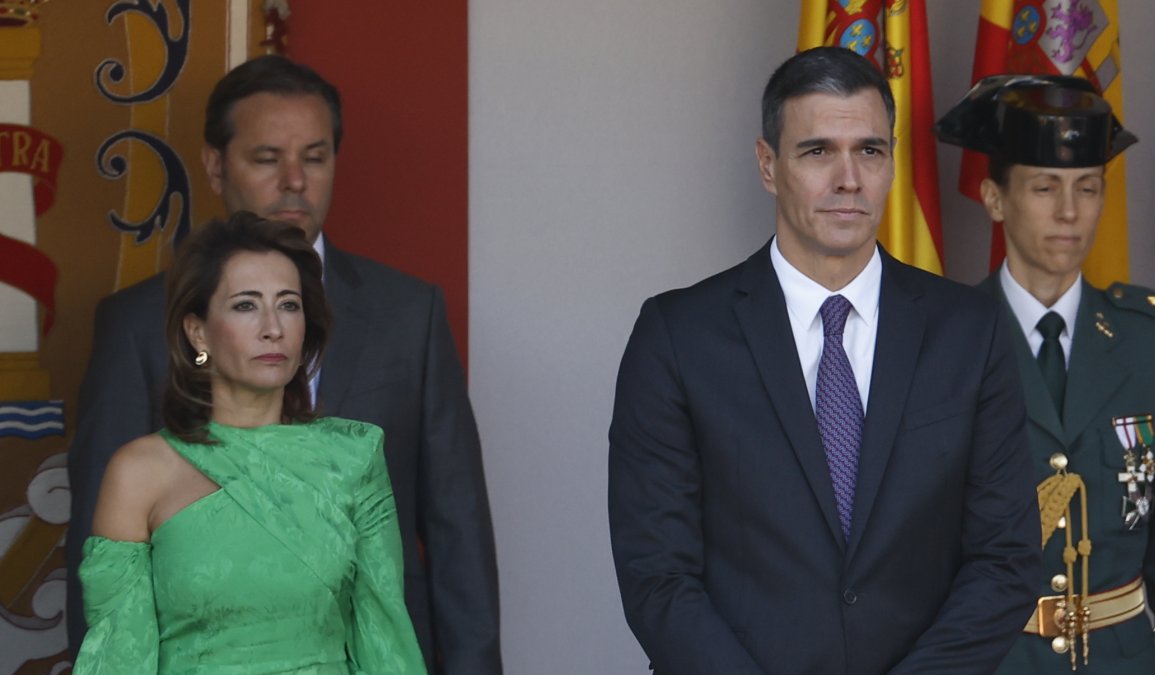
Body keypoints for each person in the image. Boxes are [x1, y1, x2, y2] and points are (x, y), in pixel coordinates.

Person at [607, 47, 1042, 675]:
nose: (849, 179)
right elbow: (657, 576)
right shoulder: (677, 336)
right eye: (817, 152)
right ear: (767, 165)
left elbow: (1005, 560)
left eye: (869, 150)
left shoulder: (969, 331)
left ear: (892, 163)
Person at [66, 56, 501, 674]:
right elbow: (102, 572)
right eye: (268, 158)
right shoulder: (135, 321)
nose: (294, 180)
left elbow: (458, 526)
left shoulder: (410, 312)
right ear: (216, 165)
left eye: (315, 157)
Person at [74, 212, 427, 673]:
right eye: (245, 305)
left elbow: (385, 644)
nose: (272, 327)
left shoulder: (352, 457)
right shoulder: (139, 472)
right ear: (197, 330)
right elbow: (117, 658)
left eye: (288, 304)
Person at [936, 75, 1155, 674]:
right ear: (994, 198)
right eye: (1044, 187)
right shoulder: (943, 344)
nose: (1069, 211)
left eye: (1088, 187)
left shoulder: (1151, 342)